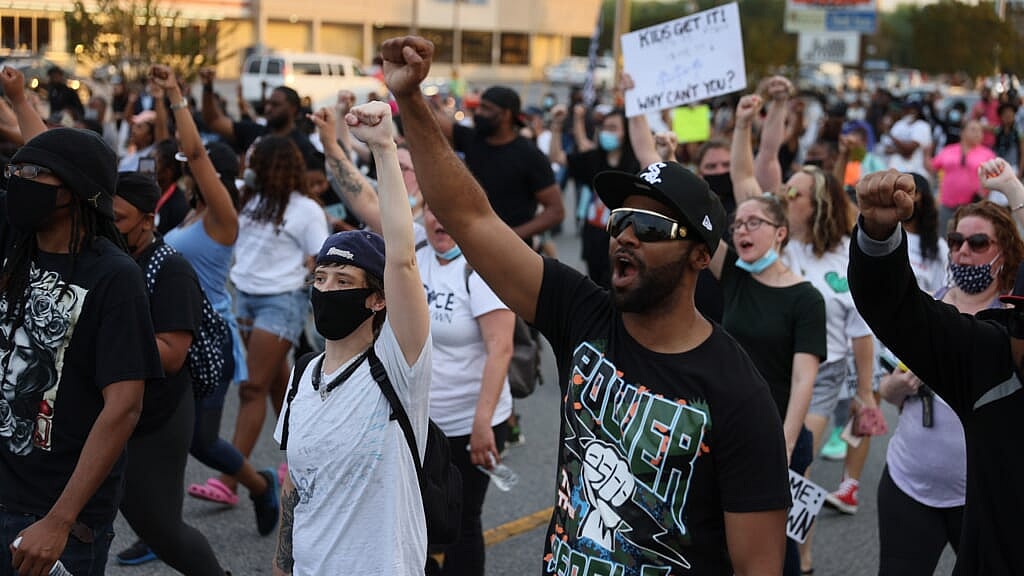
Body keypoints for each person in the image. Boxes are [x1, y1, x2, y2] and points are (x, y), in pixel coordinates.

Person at [384, 35, 791, 575]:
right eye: (620, 221)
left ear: (700, 254)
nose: (626, 236)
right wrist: (411, 100)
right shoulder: (582, 312)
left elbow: (758, 565)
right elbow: (471, 218)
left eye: (650, 226)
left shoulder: (738, 392)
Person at [0, 66, 163, 576]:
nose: (18, 181)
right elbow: (42, 150)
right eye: (16, 172)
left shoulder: (114, 276)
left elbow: (124, 407)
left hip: (53, 519)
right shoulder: (14, 242)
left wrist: (59, 520)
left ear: (73, 190)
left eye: (34, 175)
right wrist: (17, 99)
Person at [272, 101, 431, 575]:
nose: (326, 290)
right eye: (320, 278)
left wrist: (384, 148)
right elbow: (295, 485)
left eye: (343, 281)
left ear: (378, 299)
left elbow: (402, 259)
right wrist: (281, 567)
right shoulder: (303, 374)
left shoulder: (398, 366)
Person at [849, 168, 1024, 575]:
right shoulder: (990, 354)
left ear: (1004, 253)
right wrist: (878, 236)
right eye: (956, 241)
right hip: (912, 481)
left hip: (968, 499)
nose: (962, 252)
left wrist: (1013, 189)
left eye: (977, 243)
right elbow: (895, 307)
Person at [111, 172, 226, 575]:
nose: (110, 227)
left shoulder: (171, 269)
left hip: (160, 412)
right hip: (115, 405)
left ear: (147, 220)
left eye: (119, 219)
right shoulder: (114, 259)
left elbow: (172, 354)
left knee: (160, 528)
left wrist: (102, 342)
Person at [707, 194, 826, 576]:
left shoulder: (806, 298)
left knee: (777, 548)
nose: (742, 230)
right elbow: (694, 218)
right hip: (729, 432)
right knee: (724, 538)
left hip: (780, 436)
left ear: (780, 233)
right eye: (737, 224)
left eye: (753, 222)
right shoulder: (735, 275)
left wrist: (785, 444)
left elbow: (804, 378)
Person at [223, 135, 329, 496]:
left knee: (252, 386)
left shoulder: (306, 210)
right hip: (244, 297)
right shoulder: (248, 196)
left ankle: (230, 479)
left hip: (281, 302)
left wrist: (307, 284)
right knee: (275, 383)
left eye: (254, 161)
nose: (248, 167)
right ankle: (302, 457)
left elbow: (320, 256)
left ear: (272, 167)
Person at [929, 120, 996, 234]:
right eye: (973, 129)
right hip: (947, 204)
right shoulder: (948, 150)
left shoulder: (988, 154)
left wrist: (984, 194)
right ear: (962, 132)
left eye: (980, 131)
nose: (978, 133)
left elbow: (994, 178)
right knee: (944, 237)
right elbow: (933, 166)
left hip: (974, 206)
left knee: (970, 238)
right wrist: (926, 153)